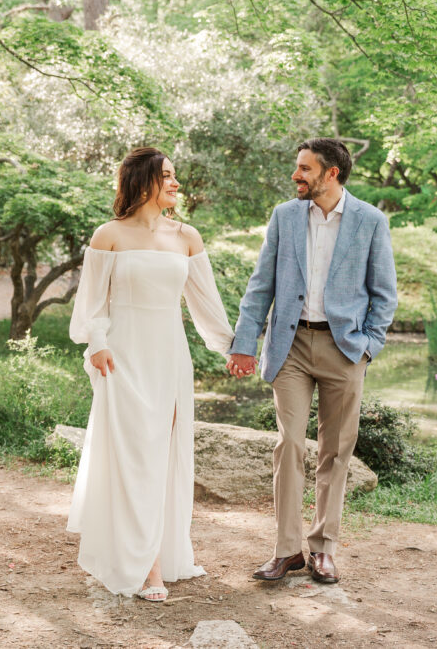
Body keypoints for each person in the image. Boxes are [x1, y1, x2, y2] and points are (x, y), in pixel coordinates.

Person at [68, 147, 235, 602]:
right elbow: (90, 306)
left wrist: (234, 348)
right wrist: (97, 344)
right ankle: (141, 566)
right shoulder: (109, 235)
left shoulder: (187, 237)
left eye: (175, 176)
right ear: (142, 181)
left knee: (162, 457)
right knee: (130, 458)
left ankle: (157, 561)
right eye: (167, 176)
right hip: (122, 358)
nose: (176, 184)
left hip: (168, 357)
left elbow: (207, 305)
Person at [227, 138, 397, 585]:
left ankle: (323, 549)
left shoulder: (370, 221)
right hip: (291, 347)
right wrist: (245, 343)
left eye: (304, 169)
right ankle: (287, 551)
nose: (295, 176)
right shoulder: (284, 217)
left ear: (331, 174)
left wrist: (367, 347)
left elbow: (385, 295)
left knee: (336, 451)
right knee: (289, 446)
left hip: (345, 350)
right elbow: (260, 284)